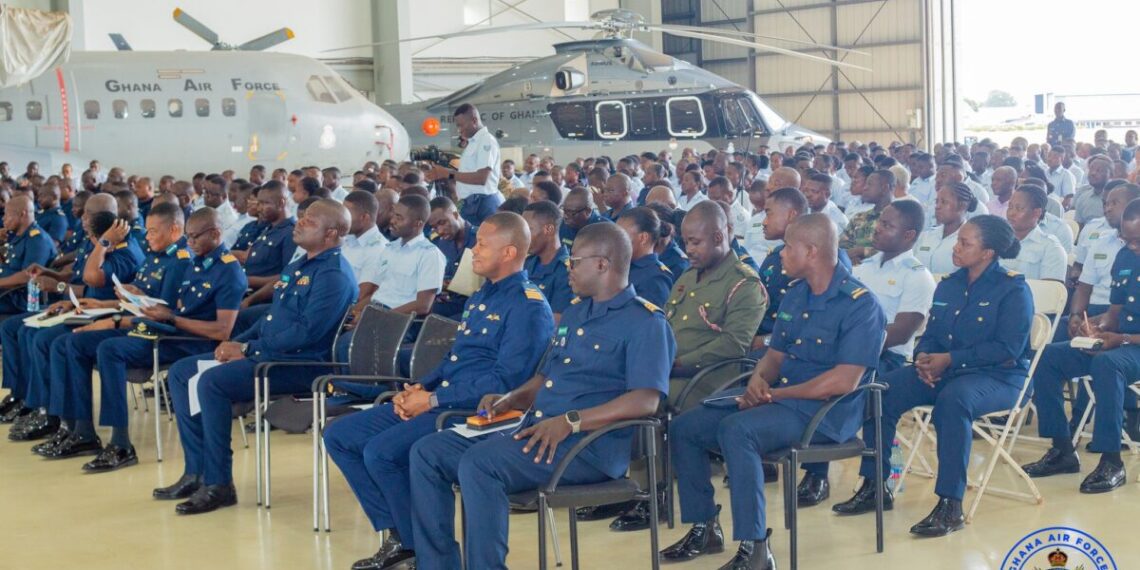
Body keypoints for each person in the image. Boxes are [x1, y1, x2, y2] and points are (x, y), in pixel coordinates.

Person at [408, 221, 673, 569]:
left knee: (480, 464)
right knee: (429, 451)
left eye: (574, 261)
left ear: (602, 264)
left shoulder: (646, 322)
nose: (568, 268)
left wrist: (570, 422)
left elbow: (646, 401)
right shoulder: (578, 312)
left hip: (587, 447)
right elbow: (544, 377)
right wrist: (510, 399)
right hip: (538, 431)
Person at [325, 212, 554, 570]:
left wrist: (432, 400)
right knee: (340, 434)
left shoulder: (528, 305)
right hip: (441, 398)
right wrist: (420, 387)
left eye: (482, 245)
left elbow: (506, 383)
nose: (473, 251)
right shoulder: (484, 295)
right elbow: (455, 358)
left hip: (477, 412)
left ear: (509, 253)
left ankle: (432, 556)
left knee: (381, 453)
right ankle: (405, 537)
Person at [662, 213, 886, 568]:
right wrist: (758, 380)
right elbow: (774, 355)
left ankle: (755, 550)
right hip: (782, 402)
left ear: (811, 251)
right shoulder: (796, 295)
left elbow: (844, 381)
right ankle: (704, 527)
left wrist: (774, 394)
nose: (780, 254)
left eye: (788, 247)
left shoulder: (860, 305)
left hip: (827, 414)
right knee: (686, 427)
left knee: (738, 431)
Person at [833, 215, 1033, 537]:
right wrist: (924, 358)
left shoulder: (1012, 289)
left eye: (965, 243)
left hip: (999, 378)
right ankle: (875, 485)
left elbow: (1008, 349)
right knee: (880, 389)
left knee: (953, 402)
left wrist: (950, 359)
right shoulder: (950, 284)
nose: (956, 247)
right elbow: (932, 333)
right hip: (945, 370)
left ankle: (950, 504)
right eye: (958, 240)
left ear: (988, 253)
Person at [158, 199, 358, 515]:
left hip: (301, 365)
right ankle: (195, 472)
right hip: (270, 354)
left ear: (331, 233)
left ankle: (219, 483)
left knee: (212, 383)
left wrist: (248, 350)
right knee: (182, 372)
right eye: (302, 217)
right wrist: (235, 344)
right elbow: (271, 318)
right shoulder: (300, 264)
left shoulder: (333, 275)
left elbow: (306, 334)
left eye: (310, 220)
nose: (300, 222)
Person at [604, 201, 767, 532]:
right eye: (685, 241)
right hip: (671, 371)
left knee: (640, 402)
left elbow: (734, 345)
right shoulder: (687, 277)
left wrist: (676, 364)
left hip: (711, 379)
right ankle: (629, 489)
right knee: (611, 390)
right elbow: (664, 325)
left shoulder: (744, 284)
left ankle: (650, 496)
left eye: (695, 242)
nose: (687, 249)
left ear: (720, 235)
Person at [50, 206, 245, 470]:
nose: (189, 242)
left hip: (190, 343)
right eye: (188, 236)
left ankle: (120, 444)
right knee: (74, 341)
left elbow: (222, 332)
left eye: (195, 237)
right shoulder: (197, 262)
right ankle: (80, 430)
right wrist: (139, 297)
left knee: (109, 349)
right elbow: (170, 307)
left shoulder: (227, 270)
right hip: (169, 330)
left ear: (216, 234)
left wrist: (167, 318)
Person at [1020, 198, 1140, 494]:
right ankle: (1062, 449)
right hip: (1120, 342)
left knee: (1106, 363)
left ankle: (1112, 461)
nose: (1132, 246)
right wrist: (1095, 326)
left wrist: (1121, 340)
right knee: (1049, 356)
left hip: (1130, 347)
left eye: (1138, 241)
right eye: (1127, 239)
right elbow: (1116, 312)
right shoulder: (1124, 257)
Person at [425, 104, 503, 226]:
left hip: (482, 204)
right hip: (472, 204)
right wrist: (443, 172)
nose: (459, 130)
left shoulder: (486, 140)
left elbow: (481, 178)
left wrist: (448, 173)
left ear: (474, 120)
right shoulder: (473, 142)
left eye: (461, 125)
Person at [0, 194, 57, 314]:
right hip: (8, 292)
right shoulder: (19, 236)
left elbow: (28, 276)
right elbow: (10, 264)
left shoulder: (37, 240)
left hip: (20, 299)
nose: (3, 219)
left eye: (7, 215)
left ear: (22, 214)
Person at [235, 181, 297, 289]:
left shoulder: (291, 232)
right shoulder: (269, 227)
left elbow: (287, 277)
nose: (259, 208)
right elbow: (247, 256)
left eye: (265, 203)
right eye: (259, 203)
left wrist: (248, 281)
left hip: (262, 297)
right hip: (244, 287)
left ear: (281, 203)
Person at [1003, 184, 1068, 281]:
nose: (1011, 213)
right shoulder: (999, 241)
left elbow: (1050, 291)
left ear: (1037, 212)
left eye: (1019, 208)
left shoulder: (1050, 247)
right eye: (1010, 207)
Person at [427, 197, 477, 319]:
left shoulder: (480, 239)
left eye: (442, 223)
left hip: (473, 305)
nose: (439, 231)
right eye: (434, 227)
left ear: (455, 214)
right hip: (448, 301)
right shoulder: (439, 242)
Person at [616, 206, 676, 306]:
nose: (616, 242)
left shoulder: (656, 278)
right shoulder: (624, 265)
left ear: (643, 238)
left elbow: (649, 319)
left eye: (622, 236)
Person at [522, 201, 572, 321]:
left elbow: (558, 319)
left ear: (549, 229)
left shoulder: (567, 271)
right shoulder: (528, 262)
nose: (523, 237)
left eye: (529, 230)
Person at [914, 181, 977, 275]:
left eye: (944, 202)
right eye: (937, 201)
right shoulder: (927, 236)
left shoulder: (971, 241)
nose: (937, 206)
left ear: (962, 206)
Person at [840, 169, 894, 264]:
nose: (865, 188)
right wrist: (848, 257)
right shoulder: (860, 217)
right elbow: (841, 246)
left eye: (870, 184)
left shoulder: (897, 220)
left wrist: (861, 252)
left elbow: (897, 250)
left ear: (884, 188)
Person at [1073, 156, 1112, 225]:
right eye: (1091, 169)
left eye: (1099, 170)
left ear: (1111, 175)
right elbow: (1078, 225)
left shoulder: (1115, 200)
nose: (1093, 173)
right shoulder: (1083, 197)